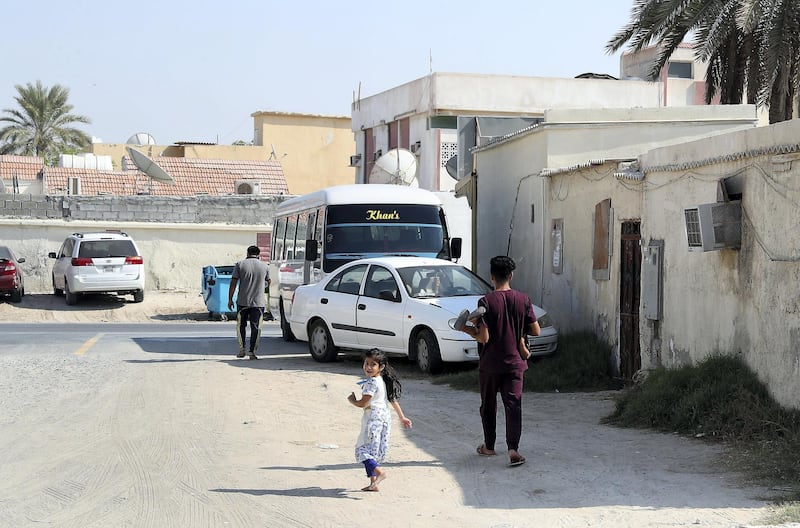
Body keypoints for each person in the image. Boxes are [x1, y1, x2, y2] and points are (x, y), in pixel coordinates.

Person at [458, 255, 540, 467]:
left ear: (491, 277)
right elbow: (536, 330)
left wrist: (469, 330)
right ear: (511, 275)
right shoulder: (524, 299)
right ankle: (513, 449)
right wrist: (520, 332)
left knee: (488, 405)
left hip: (490, 364)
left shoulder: (486, 301)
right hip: (515, 363)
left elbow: (484, 338)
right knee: (513, 405)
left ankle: (489, 447)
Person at [347, 349, 412, 491]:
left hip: (373, 420)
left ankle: (380, 473)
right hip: (384, 420)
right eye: (366, 363)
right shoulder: (382, 380)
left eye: (372, 364)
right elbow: (392, 400)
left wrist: (352, 400)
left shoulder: (371, 383)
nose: (368, 367)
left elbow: (362, 403)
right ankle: (373, 483)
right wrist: (402, 417)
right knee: (373, 452)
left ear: (380, 367)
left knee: (362, 450)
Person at [227, 245, 270, 360]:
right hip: (259, 302)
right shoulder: (265, 266)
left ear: (247, 253)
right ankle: (252, 352)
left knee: (241, 325)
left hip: (242, 301)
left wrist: (230, 299)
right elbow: (269, 282)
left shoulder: (240, 264)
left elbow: (233, 283)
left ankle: (242, 350)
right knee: (256, 327)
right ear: (258, 254)